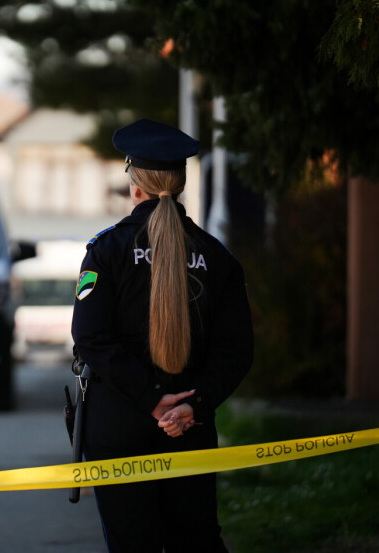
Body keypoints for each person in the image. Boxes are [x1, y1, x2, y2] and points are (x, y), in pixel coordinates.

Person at [71, 119, 254, 552]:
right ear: (182, 183)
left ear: (135, 184)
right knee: (197, 541)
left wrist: (151, 399)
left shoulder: (107, 250)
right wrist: (193, 403)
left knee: (132, 544)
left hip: (119, 422)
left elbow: (90, 339)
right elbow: (236, 350)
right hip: (190, 424)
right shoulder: (217, 256)